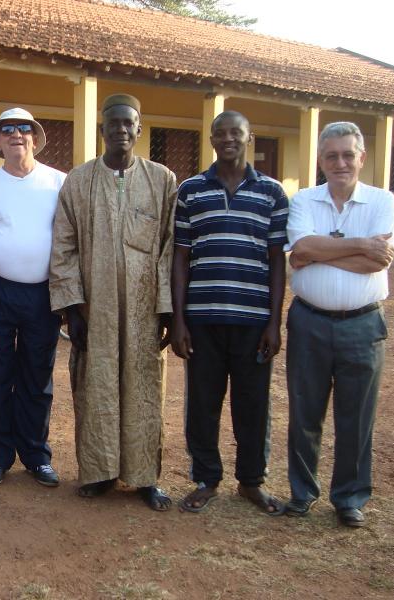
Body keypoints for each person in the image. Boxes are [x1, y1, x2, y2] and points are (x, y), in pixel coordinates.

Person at [50, 94, 175, 510]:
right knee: (96, 385)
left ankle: (144, 478)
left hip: (144, 313)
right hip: (95, 309)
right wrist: (73, 308)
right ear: (101, 130)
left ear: (139, 130)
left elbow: (170, 249)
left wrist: (166, 310)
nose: (121, 129)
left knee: (143, 389)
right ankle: (99, 472)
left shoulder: (162, 180)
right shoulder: (78, 181)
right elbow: (64, 246)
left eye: (129, 123)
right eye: (113, 123)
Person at [171, 111, 288, 515]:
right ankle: (206, 479)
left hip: (253, 321)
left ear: (249, 137)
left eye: (235, 132)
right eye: (219, 133)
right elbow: (181, 258)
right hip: (202, 320)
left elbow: (276, 260)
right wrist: (179, 320)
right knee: (203, 403)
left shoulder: (271, 193)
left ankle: (251, 482)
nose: (227, 139)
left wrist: (274, 322)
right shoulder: (190, 190)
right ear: (211, 139)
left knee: (252, 404)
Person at [285, 121, 394, 528]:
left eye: (348, 155)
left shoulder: (383, 202)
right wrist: (358, 246)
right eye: (331, 155)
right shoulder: (303, 200)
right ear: (320, 160)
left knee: (356, 416)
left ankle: (349, 497)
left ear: (361, 158)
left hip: (362, 327)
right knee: (304, 413)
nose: (340, 163)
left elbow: (378, 260)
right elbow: (299, 249)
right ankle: (302, 493)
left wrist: (319, 251)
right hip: (309, 322)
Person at [0, 108, 66, 487]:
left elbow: (70, 239)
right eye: (7, 131)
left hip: (44, 295)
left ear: (35, 139)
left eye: (24, 130)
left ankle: (36, 456)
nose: (16, 135)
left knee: (37, 377)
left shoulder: (58, 181)